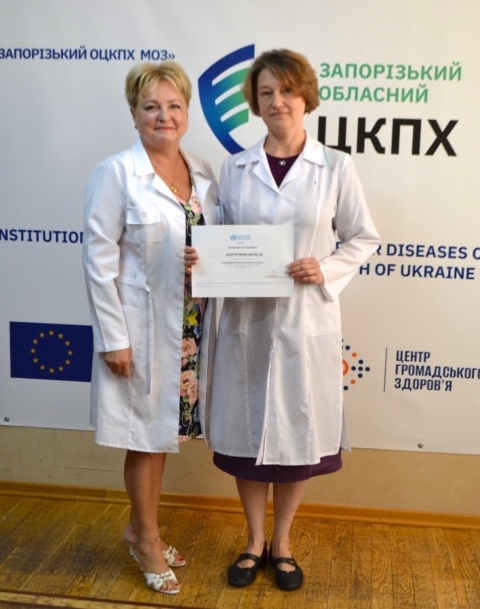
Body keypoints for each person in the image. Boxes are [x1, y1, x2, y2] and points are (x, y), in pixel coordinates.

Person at [186, 49, 380, 591]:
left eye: (287, 91)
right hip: (246, 322)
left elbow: (363, 237)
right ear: (255, 102)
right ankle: (253, 541)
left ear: (305, 97)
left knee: (298, 436)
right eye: (266, 92)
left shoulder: (336, 166)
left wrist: (326, 267)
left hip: (305, 320)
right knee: (248, 436)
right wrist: (204, 258)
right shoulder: (234, 168)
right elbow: (219, 238)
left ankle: (284, 543)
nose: (277, 102)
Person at [83, 61, 219, 594]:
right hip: (140, 332)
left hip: (191, 329)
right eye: (151, 107)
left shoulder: (202, 172)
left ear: (187, 112)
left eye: (174, 106)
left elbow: (217, 246)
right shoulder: (116, 173)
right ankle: (145, 540)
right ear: (134, 113)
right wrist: (113, 338)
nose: (164, 116)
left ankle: (141, 529)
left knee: (162, 435)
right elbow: (99, 262)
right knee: (143, 438)